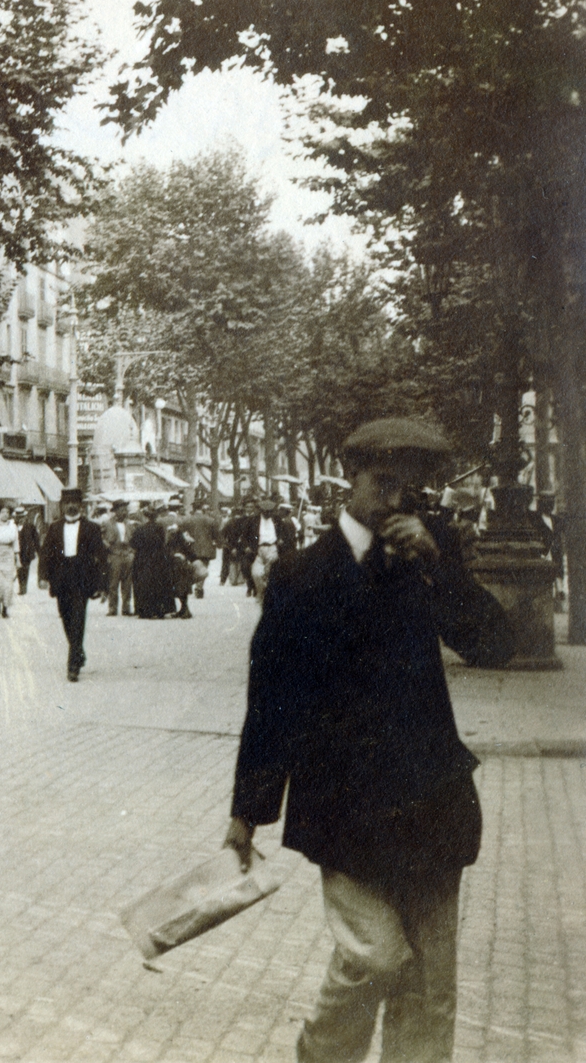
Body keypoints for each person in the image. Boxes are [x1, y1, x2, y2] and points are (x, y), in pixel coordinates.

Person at [225, 417, 515, 1063]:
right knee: (374, 956)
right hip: (346, 811)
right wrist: (247, 813)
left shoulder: (428, 557)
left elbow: (497, 643)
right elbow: (272, 699)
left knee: (430, 988)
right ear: (349, 477)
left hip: (432, 801)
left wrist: (441, 568)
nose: (394, 501)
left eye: (406, 490)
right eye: (383, 483)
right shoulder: (301, 575)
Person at [38, 489, 107, 681]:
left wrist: (102, 585)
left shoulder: (92, 528)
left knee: (78, 618)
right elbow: (45, 554)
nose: (70, 506)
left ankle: (73, 665)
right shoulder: (54, 528)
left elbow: (101, 556)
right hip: (60, 579)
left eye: (74, 502)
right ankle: (78, 651)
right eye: (67, 503)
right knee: (66, 618)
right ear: (62, 506)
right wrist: (43, 576)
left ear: (81, 506)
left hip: (82, 579)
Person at [247, 495, 299, 599]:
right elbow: (246, 535)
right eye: (266, 511)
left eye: (270, 511)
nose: (268, 513)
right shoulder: (253, 521)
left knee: (270, 572)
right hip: (258, 549)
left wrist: (281, 539)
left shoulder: (277, 520)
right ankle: (261, 591)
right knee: (256, 574)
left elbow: (285, 533)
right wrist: (247, 546)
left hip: (273, 548)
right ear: (261, 510)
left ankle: (268, 594)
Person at [129, 503, 173, 619]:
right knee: (159, 583)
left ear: (146, 516)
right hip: (158, 558)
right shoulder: (160, 528)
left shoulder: (140, 529)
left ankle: (144, 610)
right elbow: (163, 542)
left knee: (143, 583)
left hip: (142, 559)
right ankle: (160, 609)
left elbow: (133, 543)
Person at [100, 500, 135, 616]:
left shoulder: (129, 524)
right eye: (122, 510)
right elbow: (101, 537)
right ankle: (112, 608)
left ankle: (126, 607)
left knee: (127, 583)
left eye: (125, 510)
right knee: (113, 583)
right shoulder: (107, 523)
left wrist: (131, 551)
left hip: (127, 554)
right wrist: (107, 546)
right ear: (115, 511)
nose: (124, 512)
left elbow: (133, 538)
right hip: (114, 554)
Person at [222, 498, 262, 596]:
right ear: (244, 508)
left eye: (251, 507)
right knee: (245, 567)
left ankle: (254, 588)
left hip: (257, 547)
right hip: (244, 548)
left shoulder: (259, 519)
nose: (249, 509)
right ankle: (249, 585)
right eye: (247, 507)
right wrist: (233, 547)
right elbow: (235, 535)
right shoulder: (239, 520)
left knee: (257, 569)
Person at [179, 502, 219, 598]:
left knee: (193, 567)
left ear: (193, 508)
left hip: (191, 548)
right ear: (202, 508)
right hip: (206, 548)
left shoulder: (187, 520)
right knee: (203, 567)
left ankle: (195, 586)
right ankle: (199, 587)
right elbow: (216, 535)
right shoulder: (211, 520)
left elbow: (182, 534)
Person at [15, 507, 39, 596]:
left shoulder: (30, 526)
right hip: (17, 552)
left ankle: (23, 587)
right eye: (18, 517)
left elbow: (36, 539)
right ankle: (21, 585)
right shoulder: (13, 526)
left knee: (25, 569)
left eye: (22, 517)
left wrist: (38, 551)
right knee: (19, 569)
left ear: (25, 517)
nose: (20, 519)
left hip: (27, 553)